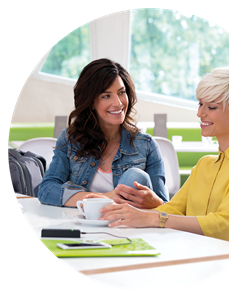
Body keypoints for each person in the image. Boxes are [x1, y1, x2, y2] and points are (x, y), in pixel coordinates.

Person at [99, 67, 229, 247]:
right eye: (200, 104)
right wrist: (116, 208)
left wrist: (154, 218)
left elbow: (226, 227)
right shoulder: (204, 165)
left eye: (212, 107)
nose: (200, 114)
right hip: (195, 256)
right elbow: (171, 210)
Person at [38, 58, 168, 208]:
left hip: (126, 227)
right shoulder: (70, 139)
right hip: (83, 224)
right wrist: (104, 198)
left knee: (135, 175)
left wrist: (155, 202)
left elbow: (165, 208)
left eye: (121, 92)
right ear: (91, 102)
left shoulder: (146, 145)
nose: (118, 103)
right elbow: (47, 190)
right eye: (106, 96)